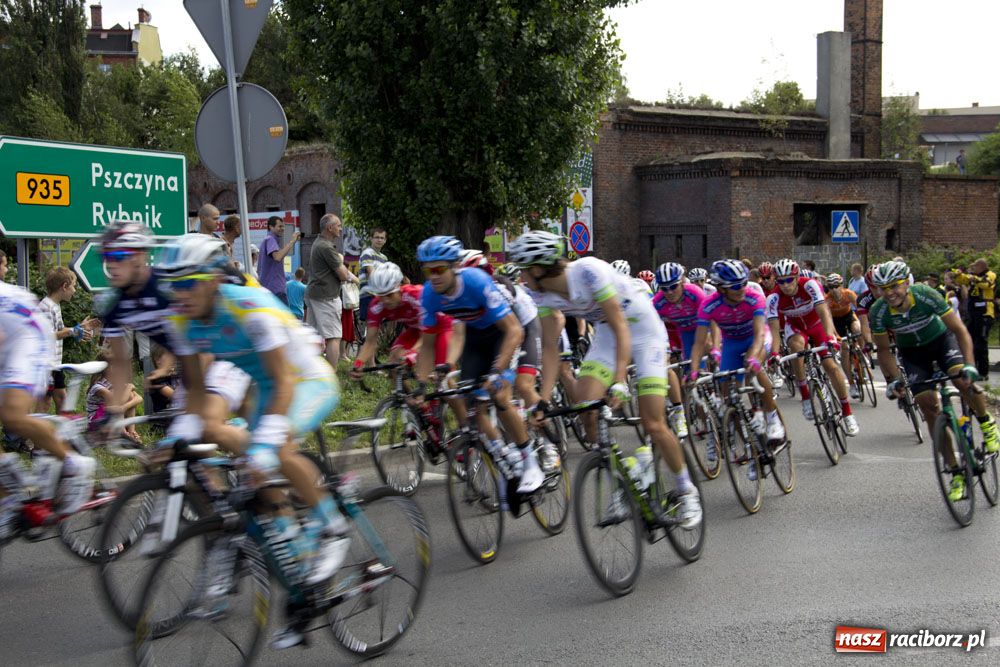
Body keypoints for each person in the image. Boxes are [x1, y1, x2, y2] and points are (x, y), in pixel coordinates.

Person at [157, 235, 347, 648]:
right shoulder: (181, 319)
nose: (179, 294)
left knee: (274, 449)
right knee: (255, 486)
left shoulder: (248, 307)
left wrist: (264, 444)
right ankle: (301, 580)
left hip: (304, 379)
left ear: (212, 280)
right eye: (172, 286)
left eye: (187, 283)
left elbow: (284, 381)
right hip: (263, 387)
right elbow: (195, 390)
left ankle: (333, 526)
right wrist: (179, 436)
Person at [508, 231, 702, 527]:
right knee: (585, 407)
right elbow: (549, 346)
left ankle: (686, 491)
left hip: (642, 329)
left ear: (536, 269)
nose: (521, 276)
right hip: (608, 335)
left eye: (523, 269)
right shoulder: (540, 294)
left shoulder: (588, 271)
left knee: (652, 422)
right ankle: (627, 475)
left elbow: (621, 324)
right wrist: (543, 400)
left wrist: (620, 380)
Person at [96, 222, 251, 455]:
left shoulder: (167, 286)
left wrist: (193, 398)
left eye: (119, 256)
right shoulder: (114, 306)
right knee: (182, 454)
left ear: (140, 256)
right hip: (193, 361)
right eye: (106, 257)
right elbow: (120, 362)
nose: (111, 264)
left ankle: (265, 460)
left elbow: (201, 337)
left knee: (207, 429)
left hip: (222, 349)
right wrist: (113, 411)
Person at [412, 235, 545, 503]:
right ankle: (504, 455)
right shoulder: (429, 293)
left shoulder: (475, 282)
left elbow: (514, 331)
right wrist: (422, 385)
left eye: (439, 269)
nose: (433, 277)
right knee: (471, 402)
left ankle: (530, 460)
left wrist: (496, 372)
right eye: (428, 271)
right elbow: (427, 345)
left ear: (454, 267)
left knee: (499, 393)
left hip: (506, 333)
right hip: (477, 338)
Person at [869, 260, 999, 500]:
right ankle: (955, 471)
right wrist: (894, 380)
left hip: (942, 341)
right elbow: (884, 351)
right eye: (883, 288)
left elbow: (960, 330)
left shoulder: (925, 295)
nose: (889, 293)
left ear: (906, 283)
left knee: (962, 380)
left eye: (895, 286)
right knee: (927, 404)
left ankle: (986, 423)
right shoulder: (878, 311)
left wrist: (970, 365)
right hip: (913, 355)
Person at [0, 280, 95, 514]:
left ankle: (74, 464)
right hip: (10, 338)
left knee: (12, 415)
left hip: (28, 336)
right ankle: (8, 501)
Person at [688, 260, 787, 448]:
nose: (741, 288)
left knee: (753, 366)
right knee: (729, 398)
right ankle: (751, 449)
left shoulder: (753, 297)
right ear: (721, 288)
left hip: (756, 338)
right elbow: (699, 343)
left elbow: (759, 334)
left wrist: (753, 357)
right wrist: (693, 371)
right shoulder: (709, 305)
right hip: (732, 343)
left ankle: (772, 417)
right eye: (735, 286)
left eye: (743, 283)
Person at [766, 259, 859, 436]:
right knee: (796, 346)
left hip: (817, 325)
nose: (785, 285)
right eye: (780, 281)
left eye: (789, 280)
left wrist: (830, 336)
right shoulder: (773, 298)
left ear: (796, 277)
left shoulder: (810, 285)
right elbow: (774, 329)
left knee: (831, 366)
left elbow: (824, 311)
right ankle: (805, 396)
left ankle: (847, 413)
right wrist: (775, 353)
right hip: (796, 329)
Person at [36, 267, 99, 414]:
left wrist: (79, 329)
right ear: (64, 286)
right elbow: (48, 336)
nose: (74, 291)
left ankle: (62, 428)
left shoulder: (54, 306)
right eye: (73, 286)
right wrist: (73, 330)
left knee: (62, 399)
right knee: (45, 402)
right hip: (46, 364)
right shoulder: (46, 307)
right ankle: (33, 429)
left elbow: (60, 329)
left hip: (55, 363)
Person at [306, 214, 360, 369]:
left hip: (315, 294)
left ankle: (313, 372)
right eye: (338, 225)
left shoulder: (318, 243)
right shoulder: (326, 247)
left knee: (313, 337)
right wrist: (357, 280)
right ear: (330, 228)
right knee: (334, 337)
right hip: (326, 296)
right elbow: (343, 275)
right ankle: (331, 376)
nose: (341, 229)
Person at [86, 348, 142, 443]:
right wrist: (129, 388)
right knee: (125, 395)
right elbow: (118, 402)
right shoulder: (98, 387)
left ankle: (131, 431)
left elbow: (139, 398)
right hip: (96, 423)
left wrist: (123, 407)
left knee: (129, 395)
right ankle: (123, 433)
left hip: (109, 417)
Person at [953, 259, 996, 379]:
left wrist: (974, 278)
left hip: (985, 313)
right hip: (973, 314)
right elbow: (962, 281)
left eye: (974, 267)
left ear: (981, 266)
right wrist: (958, 275)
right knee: (968, 340)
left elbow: (986, 284)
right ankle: (972, 368)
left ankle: (983, 372)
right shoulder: (973, 276)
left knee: (981, 343)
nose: (972, 269)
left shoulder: (990, 275)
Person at [824, 273, 863, 399]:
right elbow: (828, 320)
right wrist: (836, 335)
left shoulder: (849, 294)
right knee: (845, 349)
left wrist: (865, 325)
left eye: (836, 286)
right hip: (836, 322)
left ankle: (862, 352)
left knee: (858, 329)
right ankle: (851, 384)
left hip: (848, 316)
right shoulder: (827, 299)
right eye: (831, 287)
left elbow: (860, 310)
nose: (834, 289)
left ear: (841, 285)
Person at [257, 215, 301, 304]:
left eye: (283, 226)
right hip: (275, 289)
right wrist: (292, 241)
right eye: (280, 226)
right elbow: (278, 257)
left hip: (269, 289)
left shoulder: (268, 240)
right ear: (271, 227)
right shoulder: (270, 239)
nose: (282, 229)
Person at [358, 228, 388, 321]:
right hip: (368, 293)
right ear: (371, 239)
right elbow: (372, 274)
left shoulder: (384, 258)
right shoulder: (367, 253)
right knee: (371, 324)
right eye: (377, 237)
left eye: (382, 238)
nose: (379, 240)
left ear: (385, 240)